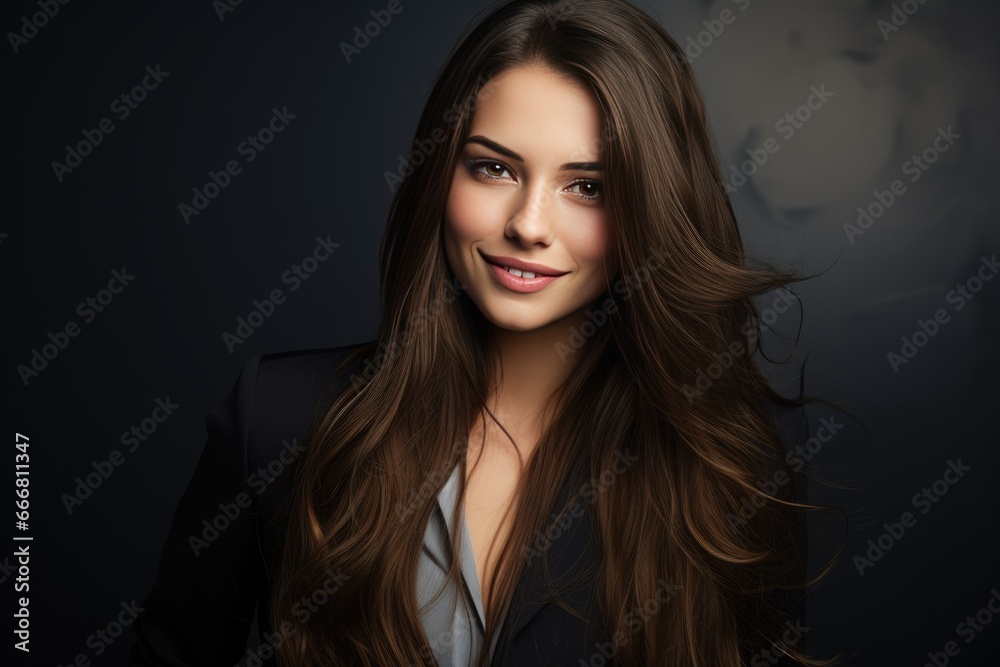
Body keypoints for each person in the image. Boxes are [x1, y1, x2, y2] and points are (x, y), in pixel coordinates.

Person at [130, 0, 834, 665]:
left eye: (587, 185)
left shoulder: (735, 453)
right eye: (493, 168)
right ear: (441, 173)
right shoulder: (279, 418)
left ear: (653, 208)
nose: (528, 224)